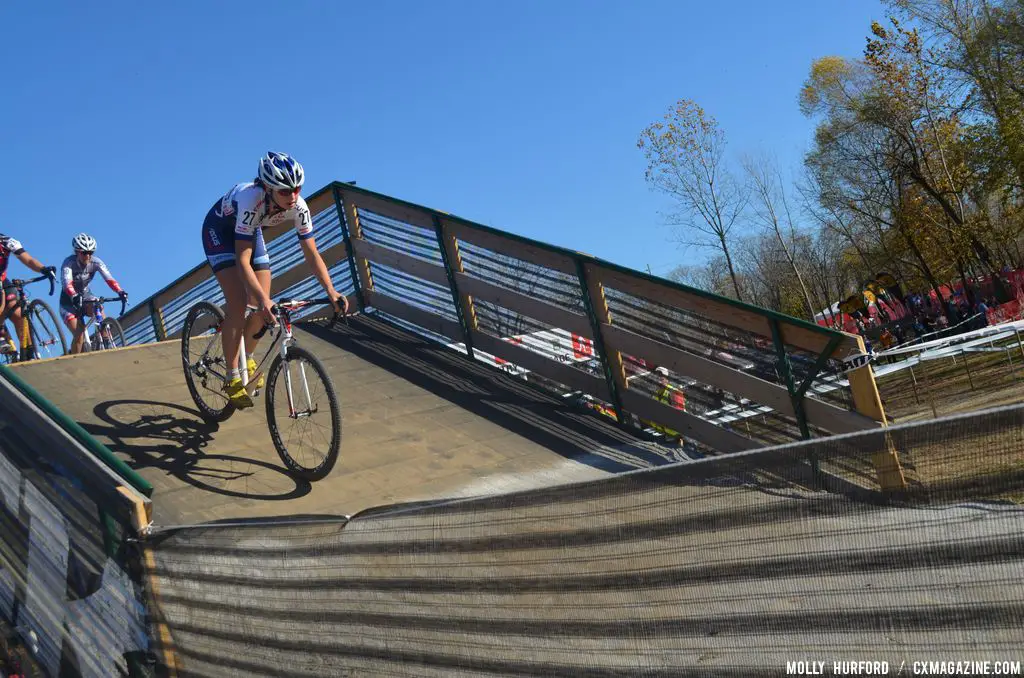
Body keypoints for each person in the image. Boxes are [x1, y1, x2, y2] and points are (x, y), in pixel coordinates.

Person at [201, 151, 348, 409]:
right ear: (268, 188)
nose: (292, 196)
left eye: (297, 189)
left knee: (263, 308)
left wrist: (332, 291)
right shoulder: (251, 199)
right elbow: (243, 261)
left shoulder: (299, 206)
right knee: (239, 302)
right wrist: (261, 299)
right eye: (284, 191)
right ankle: (231, 376)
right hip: (220, 231)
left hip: (250, 230)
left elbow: (311, 254)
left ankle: (246, 356)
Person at [60, 233, 129, 355]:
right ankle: (75, 362)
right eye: (84, 253)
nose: (88, 256)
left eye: (91, 253)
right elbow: (67, 283)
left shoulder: (96, 262)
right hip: (68, 302)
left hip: (86, 295)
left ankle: (105, 339)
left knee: (99, 307)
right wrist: (74, 296)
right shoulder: (68, 263)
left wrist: (120, 291)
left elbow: (109, 279)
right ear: (77, 252)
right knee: (79, 335)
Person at [0, 234, 57, 357]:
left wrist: (43, 269)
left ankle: (27, 353)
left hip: (2, 280)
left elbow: (28, 259)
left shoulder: (7, 242)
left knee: (18, 315)